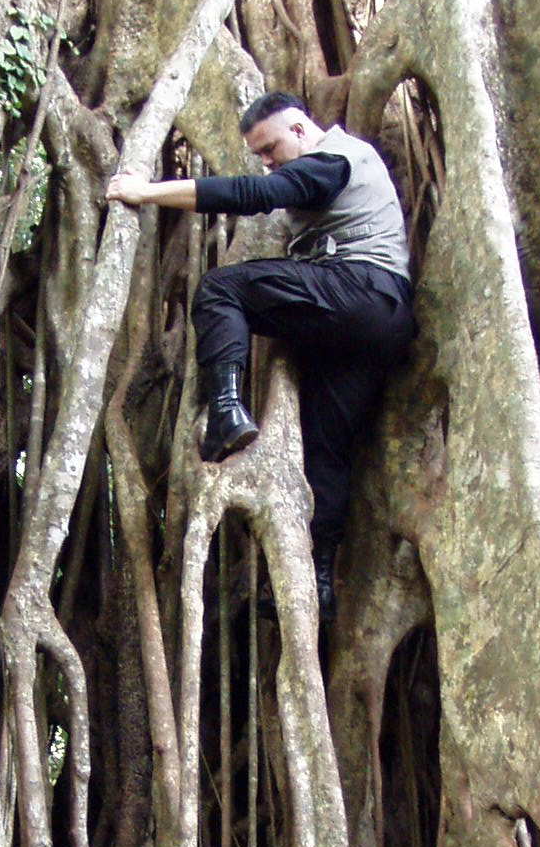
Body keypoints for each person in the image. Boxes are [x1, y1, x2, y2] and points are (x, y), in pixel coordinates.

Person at [105, 90, 415, 622]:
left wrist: (147, 192)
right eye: (260, 155)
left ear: (298, 129)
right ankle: (314, 578)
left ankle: (226, 411)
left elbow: (254, 194)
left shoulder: (333, 159)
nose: (268, 161)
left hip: (360, 289)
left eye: (270, 148)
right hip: (383, 321)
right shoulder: (337, 168)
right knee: (326, 446)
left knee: (221, 289)